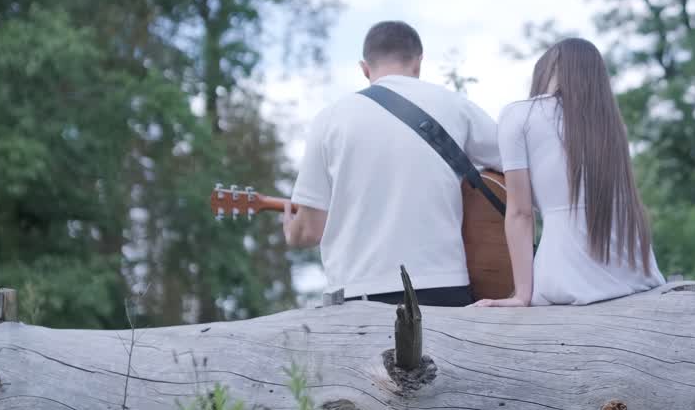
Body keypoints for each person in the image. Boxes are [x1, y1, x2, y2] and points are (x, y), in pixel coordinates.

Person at [283, 21, 500, 306]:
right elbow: (517, 163)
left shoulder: (329, 119)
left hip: (358, 292)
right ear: (418, 62)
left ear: (364, 68)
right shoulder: (455, 105)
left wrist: (292, 231)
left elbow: (310, 230)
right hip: (444, 285)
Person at [473, 37, 665, 307]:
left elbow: (521, 213)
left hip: (567, 275)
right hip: (637, 274)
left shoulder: (519, 115)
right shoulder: (610, 123)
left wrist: (521, 295)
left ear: (548, 70)